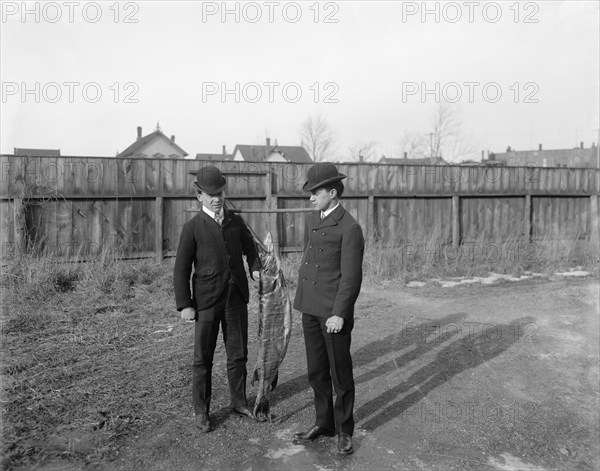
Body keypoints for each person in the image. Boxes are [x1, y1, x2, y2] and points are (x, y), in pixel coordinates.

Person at [173, 165, 261, 432]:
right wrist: (185, 304)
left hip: (236, 300)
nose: (216, 198)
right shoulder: (192, 227)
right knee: (203, 359)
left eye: (219, 192)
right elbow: (181, 268)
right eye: (210, 194)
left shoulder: (235, 221)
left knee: (238, 355)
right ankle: (202, 412)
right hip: (206, 302)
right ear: (199, 196)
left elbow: (251, 249)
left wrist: (255, 268)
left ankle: (238, 401)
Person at [292, 162, 365, 455]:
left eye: (315, 192)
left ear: (332, 193)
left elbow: (351, 278)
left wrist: (339, 313)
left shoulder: (350, 228)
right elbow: (309, 260)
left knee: (340, 375)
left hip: (333, 314)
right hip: (310, 307)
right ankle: (324, 422)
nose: (310, 197)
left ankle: (345, 429)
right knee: (316, 372)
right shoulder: (313, 221)